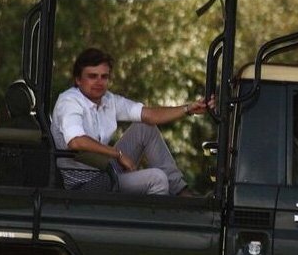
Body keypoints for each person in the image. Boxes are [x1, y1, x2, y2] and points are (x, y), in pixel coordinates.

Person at [51, 47, 214, 196]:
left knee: (144, 127)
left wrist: (188, 109)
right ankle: (157, 219)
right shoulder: (69, 101)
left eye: (104, 77)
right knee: (157, 179)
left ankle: (182, 193)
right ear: (78, 80)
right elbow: (76, 142)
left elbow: (149, 115)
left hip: (105, 169)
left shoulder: (108, 100)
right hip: (85, 184)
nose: (99, 82)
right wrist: (117, 154)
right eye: (92, 76)